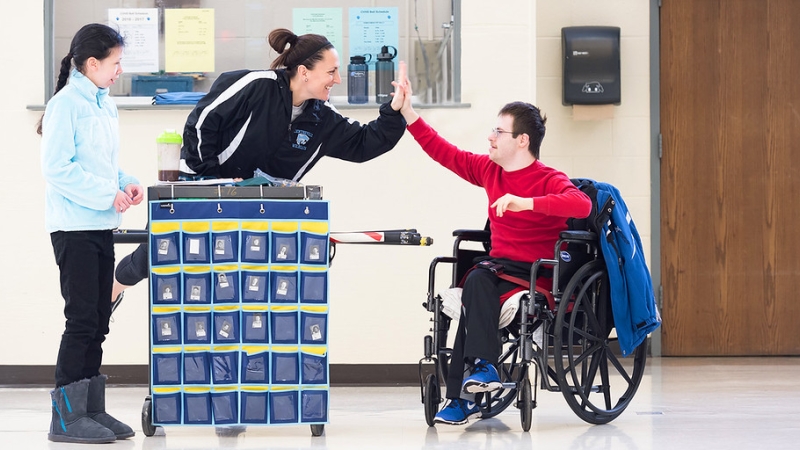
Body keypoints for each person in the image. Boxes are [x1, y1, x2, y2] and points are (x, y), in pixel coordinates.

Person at [110, 27, 409, 312]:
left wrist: (394, 111)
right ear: (304, 72)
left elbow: (365, 143)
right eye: (331, 72)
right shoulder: (256, 85)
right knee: (154, 255)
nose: (338, 80)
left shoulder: (323, 119)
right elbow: (203, 121)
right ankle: (111, 290)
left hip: (259, 207)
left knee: (243, 281)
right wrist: (213, 181)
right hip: (201, 188)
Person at [393, 65, 592, 425]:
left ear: (522, 141)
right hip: (500, 268)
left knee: (477, 283)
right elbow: (444, 152)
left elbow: (582, 205)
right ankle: (481, 371)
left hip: (537, 273)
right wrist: (408, 113)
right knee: (475, 280)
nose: (490, 138)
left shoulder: (549, 179)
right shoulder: (490, 171)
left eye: (498, 132)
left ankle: (462, 396)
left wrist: (527, 202)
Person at [38, 23, 143, 443]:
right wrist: (107, 193)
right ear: (92, 63)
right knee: (81, 319)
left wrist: (126, 182)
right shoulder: (65, 104)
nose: (119, 71)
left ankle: (90, 410)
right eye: (115, 63)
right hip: (73, 227)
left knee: (99, 319)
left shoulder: (103, 104)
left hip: (100, 224)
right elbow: (57, 169)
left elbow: (102, 164)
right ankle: (64, 418)